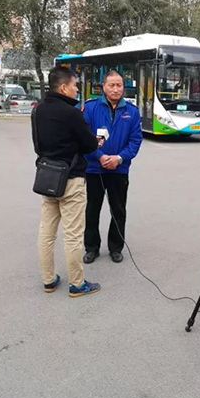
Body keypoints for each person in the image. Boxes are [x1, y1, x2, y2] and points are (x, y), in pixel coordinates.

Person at [33, 66, 101, 298]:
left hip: (48, 177)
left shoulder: (38, 110)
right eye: (74, 86)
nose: (76, 90)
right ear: (63, 87)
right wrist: (94, 142)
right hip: (71, 179)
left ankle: (48, 279)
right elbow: (89, 145)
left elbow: (37, 145)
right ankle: (77, 284)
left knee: (46, 232)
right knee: (72, 234)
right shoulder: (72, 114)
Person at [82, 70, 142, 264]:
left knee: (118, 210)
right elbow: (83, 138)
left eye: (119, 85)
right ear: (103, 87)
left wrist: (119, 158)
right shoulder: (90, 108)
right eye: (112, 85)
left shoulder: (131, 111)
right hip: (94, 169)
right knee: (92, 209)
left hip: (119, 170)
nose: (116, 89)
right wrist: (99, 156)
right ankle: (91, 248)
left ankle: (116, 247)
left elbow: (135, 141)